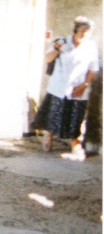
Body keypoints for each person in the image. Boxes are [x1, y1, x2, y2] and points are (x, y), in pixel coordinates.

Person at [32, 16, 100, 152]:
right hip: (59, 86)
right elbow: (47, 58)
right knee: (53, 114)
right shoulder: (63, 41)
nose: (84, 35)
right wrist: (57, 49)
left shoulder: (91, 46)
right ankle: (48, 137)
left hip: (79, 87)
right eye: (82, 31)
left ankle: (75, 142)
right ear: (75, 30)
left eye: (87, 32)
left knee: (77, 117)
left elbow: (93, 69)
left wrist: (85, 85)